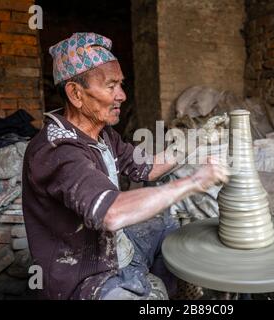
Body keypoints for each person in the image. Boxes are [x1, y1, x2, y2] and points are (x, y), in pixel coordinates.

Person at [21, 32, 229, 300]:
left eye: (121, 84)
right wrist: (194, 182)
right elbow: (111, 213)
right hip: (82, 274)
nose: (122, 95)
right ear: (75, 93)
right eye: (111, 86)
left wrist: (196, 141)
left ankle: (177, 293)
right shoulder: (57, 150)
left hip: (113, 246)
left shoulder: (103, 133)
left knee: (168, 227)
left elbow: (146, 168)